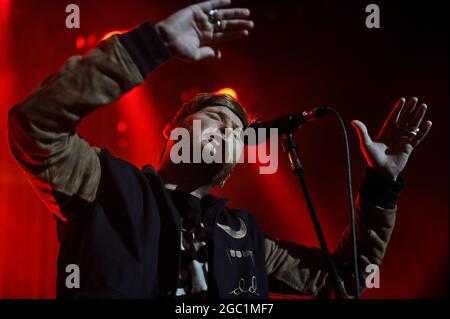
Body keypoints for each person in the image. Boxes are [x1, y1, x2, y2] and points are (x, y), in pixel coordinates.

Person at [7, 0, 432, 299]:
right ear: (172, 132)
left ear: (228, 173)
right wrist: (152, 45)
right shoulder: (106, 184)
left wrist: (381, 185)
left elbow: (343, 278)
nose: (229, 130)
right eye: (216, 118)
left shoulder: (245, 236)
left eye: (237, 130)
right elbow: (35, 126)